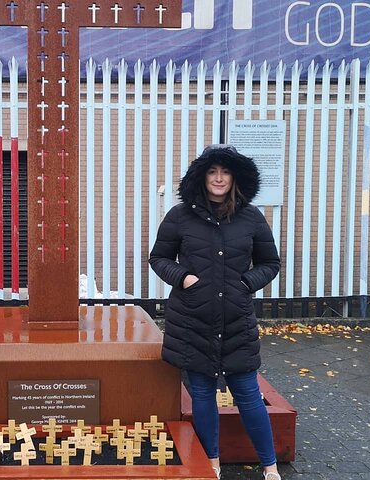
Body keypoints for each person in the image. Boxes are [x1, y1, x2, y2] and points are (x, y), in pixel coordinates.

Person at [149, 145, 281, 480]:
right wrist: (184, 278)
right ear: (202, 176)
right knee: (203, 394)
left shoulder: (251, 217)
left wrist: (246, 283)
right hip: (192, 319)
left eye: (225, 172)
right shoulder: (180, 216)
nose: (219, 178)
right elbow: (159, 258)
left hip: (236, 320)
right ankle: (211, 462)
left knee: (248, 394)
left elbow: (270, 263)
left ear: (235, 177)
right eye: (212, 171)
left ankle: (270, 466)